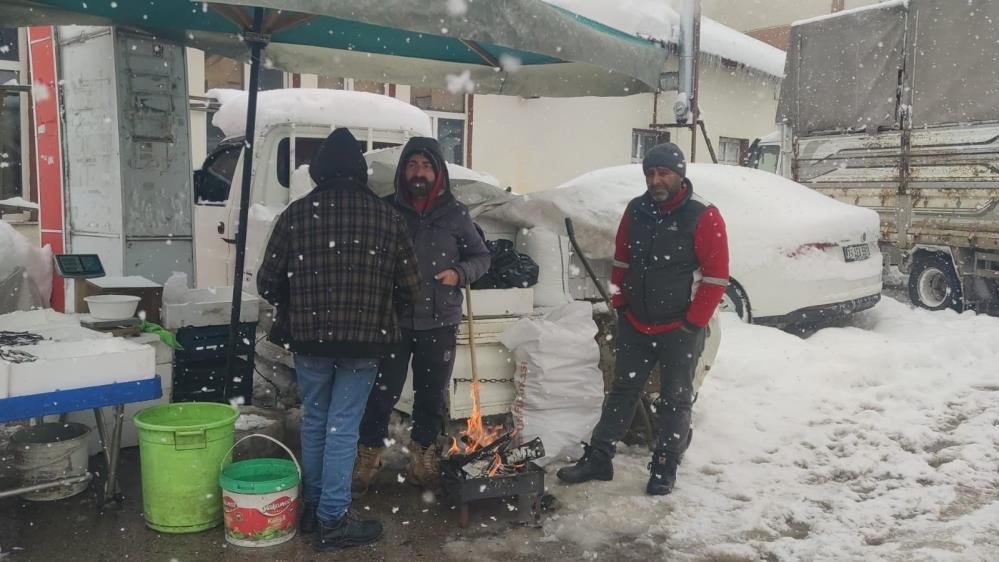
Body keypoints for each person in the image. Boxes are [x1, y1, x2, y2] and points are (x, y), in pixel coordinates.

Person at [256, 128, 421, 551]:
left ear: (319, 172)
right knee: (343, 425)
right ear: (360, 174)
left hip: (310, 340)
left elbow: (268, 283)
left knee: (315, 420)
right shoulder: (387, 217)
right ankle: (333, 519)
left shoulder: (295, 215)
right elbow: (411, 288)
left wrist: (302, 302)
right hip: (365, 343)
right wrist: (379, 308)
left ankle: (313, 507)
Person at [556, 142, 729, 495]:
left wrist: (692, 323)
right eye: (650, 173)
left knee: (675, 398)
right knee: (622, 391)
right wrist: (620, 303)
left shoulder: (703, 215)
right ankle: (599, 459)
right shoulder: (637, 210)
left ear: (680, 175)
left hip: (680, 327)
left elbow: (716, 277)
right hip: (636, 322)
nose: (655, 180)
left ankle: (665, 466)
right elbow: (621, 260)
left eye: (663, 172)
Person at [353, 137, 490, 494]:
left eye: (427, 166)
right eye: (413, 165)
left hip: (439, 319)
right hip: (393, 320)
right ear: (403, 171)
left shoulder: (456, 214)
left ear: (439, 172)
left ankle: (423, 458)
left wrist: (459, 274)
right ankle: (368, 455)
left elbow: (481, 257)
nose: (419, 173)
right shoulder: (386, 209)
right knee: (381, 394)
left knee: (430, 395)